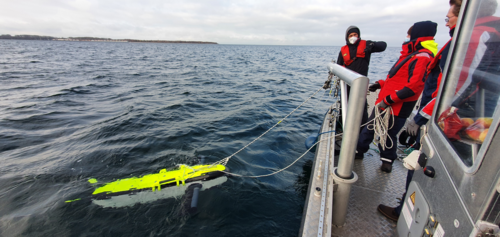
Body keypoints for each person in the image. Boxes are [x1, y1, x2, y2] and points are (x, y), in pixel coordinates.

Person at [377, 0, 463, 222]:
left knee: (416, 160)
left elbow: (445, 91)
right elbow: (396, 78)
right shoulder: (420, 53)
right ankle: (406, 208)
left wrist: (418, 118)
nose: (447, 24)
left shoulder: (443, 51)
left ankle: (404, 213)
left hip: (432, 117)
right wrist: (380, 85)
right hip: (433, 115)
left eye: (449, 18)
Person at [355, 21, 438, 173]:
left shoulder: (422, 58)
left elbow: (414, 87)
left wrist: (388, 100)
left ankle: (387, 161)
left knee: (389, 134)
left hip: (396, 105)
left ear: (416, 36)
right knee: (370, 127)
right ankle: (358, 151)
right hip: (385, 102)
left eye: (408, 34)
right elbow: (397, 78)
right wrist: (380, 84)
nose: (406, 37)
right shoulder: (410, 56)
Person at [337, 26, 387, 125]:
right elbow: (339, 65)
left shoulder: (366, 45)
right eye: (350, 35)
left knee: (361, 105)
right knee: (344, 102)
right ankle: (342, 123)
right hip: (347, 81)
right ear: (347, 37)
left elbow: (383, 46)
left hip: (360, 81)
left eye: (355, 35)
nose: (353, 37)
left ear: (358, 35)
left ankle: (362, 125)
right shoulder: (343, 50)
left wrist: (372, 45)